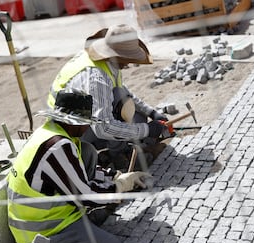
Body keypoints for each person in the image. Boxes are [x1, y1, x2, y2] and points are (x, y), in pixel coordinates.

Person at [7, 89, 151, 243]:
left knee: (87, 151)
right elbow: (86, 196)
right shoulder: (57, 147)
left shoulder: (51, 132)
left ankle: (84, 223)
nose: (86, 128)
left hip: (54, 213)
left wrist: (114, 176)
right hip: (43, 229)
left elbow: (76, 173)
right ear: (72, 123)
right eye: (85, 124)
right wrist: (121, 186)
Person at [47, 24, 168, 171]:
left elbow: (123, 92)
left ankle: (118, 150)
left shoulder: (107, 61)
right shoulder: (97, 78)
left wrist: (152, 112)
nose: (130, 63)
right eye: (128, 58)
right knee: (132, 119)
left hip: (80, 117)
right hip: (70, 131)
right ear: (116, 55)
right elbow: (103, 127)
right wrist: (147, 130)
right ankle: (119, 157)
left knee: (137, 113)